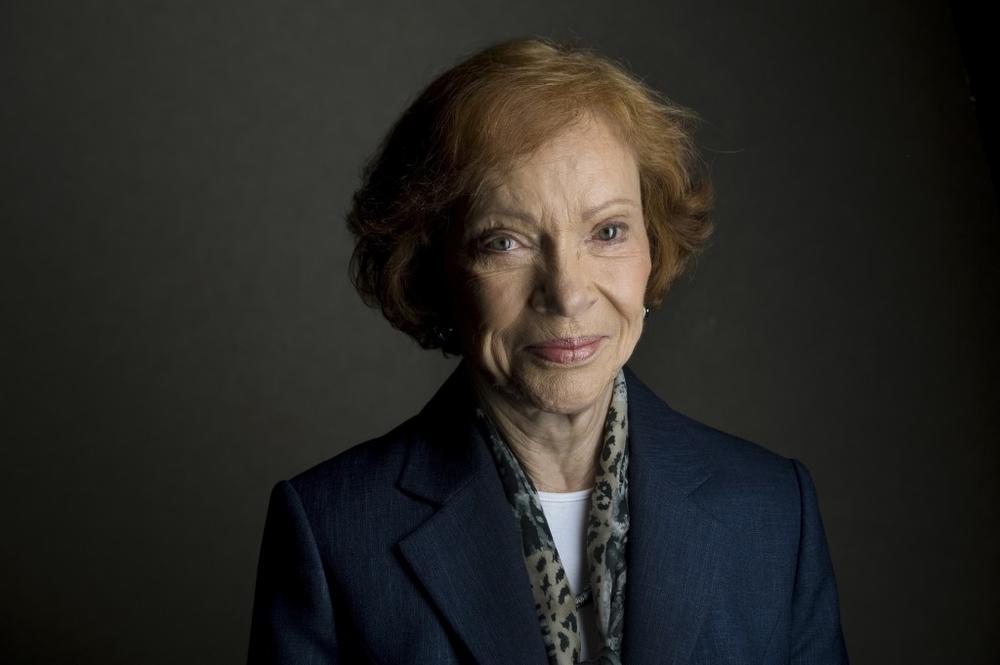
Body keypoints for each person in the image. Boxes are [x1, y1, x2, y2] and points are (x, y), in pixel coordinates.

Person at [247, 37, 849, 665]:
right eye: (505, 242)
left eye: (608, 232)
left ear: (655, 247)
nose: (566, 294)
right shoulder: (333, 531)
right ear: (433, 269)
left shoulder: (774, 511)